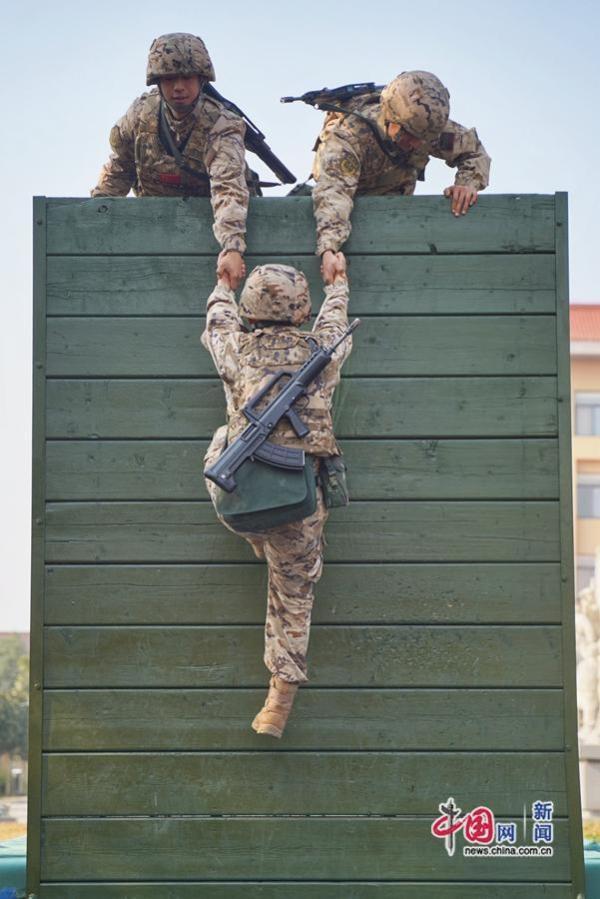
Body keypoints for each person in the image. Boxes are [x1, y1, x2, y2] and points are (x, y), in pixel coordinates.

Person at [201, 258, 352, 738]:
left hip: (239, 502)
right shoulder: (322, 349)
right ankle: (279, 699)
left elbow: (217, 323)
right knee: (295, 595)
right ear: (301, 308)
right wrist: (339, 284)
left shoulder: (237, 351)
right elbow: (335, 322)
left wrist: (223, 287)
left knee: (223, 438)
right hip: (300, 505)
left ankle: (255, 535)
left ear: (251, 308)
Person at [91, 32, 252, 289]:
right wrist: (94, 218)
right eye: (169, 78)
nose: (178, 87)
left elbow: (228, 186)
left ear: (201, 79)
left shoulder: (221, 124)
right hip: (155, 230)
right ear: (157, 82)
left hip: (209, 228)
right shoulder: (140, 116)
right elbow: (119, 170)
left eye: (187, 77)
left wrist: (232, 246)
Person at [311, 71, 491, 282]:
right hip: (348, 201)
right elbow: (334, 193)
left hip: (392, 209)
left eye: (422, 139)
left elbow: (474, 151)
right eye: (409, 137)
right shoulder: (349, 138)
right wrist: (329, 249)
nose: (417, 144)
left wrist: (467, 183)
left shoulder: (424, 126)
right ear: (390, 119)